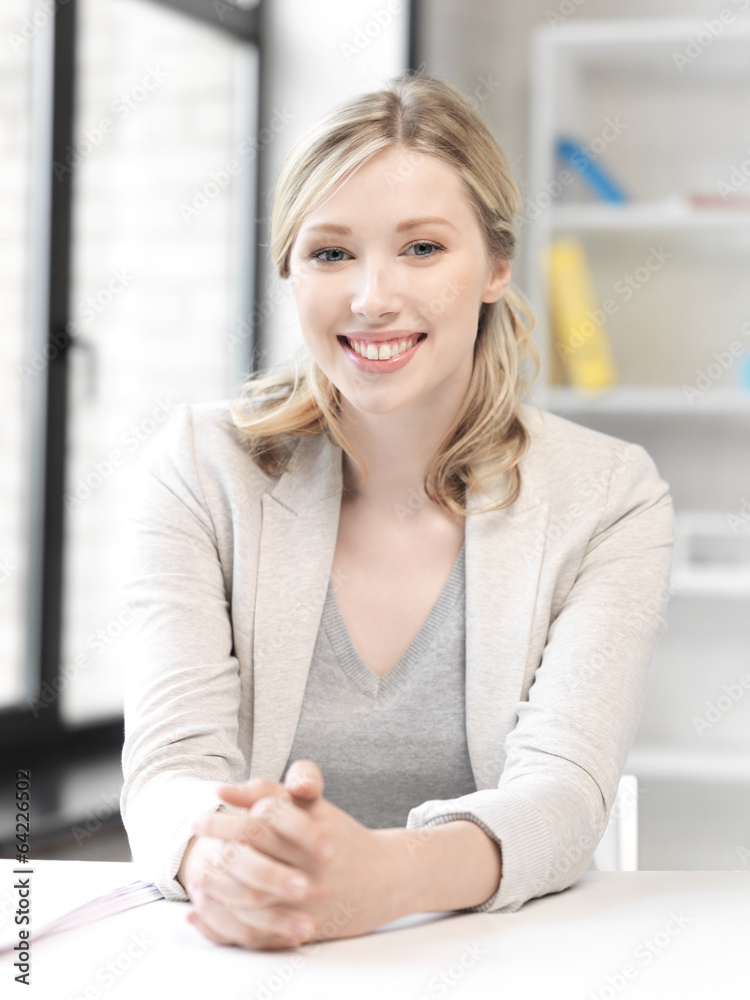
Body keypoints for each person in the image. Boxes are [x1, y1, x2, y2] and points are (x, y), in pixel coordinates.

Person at [119, 73, 675, 953]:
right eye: (331, 253)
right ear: (290, 271)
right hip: (249, 958)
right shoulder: (198, 467)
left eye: (421, 249)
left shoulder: (610, 496)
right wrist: (227, 866)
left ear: (495, 264)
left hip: (494, 963)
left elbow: (565, 794)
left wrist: (381, 879)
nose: (372, 297)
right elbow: (169, 774)